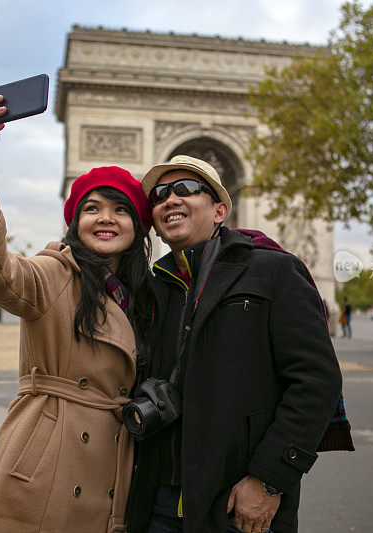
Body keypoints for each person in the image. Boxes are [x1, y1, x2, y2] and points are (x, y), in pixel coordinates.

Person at [0, 84, 154, 532]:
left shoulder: (145, 294)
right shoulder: (54, 274)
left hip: (112, 466)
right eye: (92, 208)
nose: (105, 218)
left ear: (137, 227)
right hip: (48, 467)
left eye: (120, 210)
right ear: (75, 223)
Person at [125, 155, 352, 533]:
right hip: (158, 505)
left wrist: (269, 478)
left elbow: (317, 381)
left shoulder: (274, 271)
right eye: (160, 194)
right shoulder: (152, 288)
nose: (170, 199)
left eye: (187, 189)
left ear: (220, 210)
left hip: (235, 503)